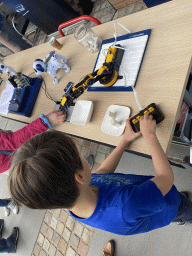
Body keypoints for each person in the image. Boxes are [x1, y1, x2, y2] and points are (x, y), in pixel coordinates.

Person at [7, 114, 192, 235]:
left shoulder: (74, 198)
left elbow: (102, 175)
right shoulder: (126, 205)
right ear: (79, 177)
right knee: (182, 205)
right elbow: (165, 179)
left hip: (148, 199)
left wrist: (124, 141)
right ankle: (184, 215)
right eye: (79, 156)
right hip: (169, 205)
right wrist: (150, 135)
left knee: (172, 200)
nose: (82, 157)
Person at [0, 109, 66, 174]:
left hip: (13, 162)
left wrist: (3, 134)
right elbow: (13, 141)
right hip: (18, 160)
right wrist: (45, 122)